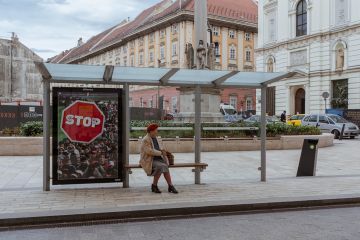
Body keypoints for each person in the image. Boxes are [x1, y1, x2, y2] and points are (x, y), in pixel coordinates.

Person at [139, 123, 178, 194]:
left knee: (164, 166)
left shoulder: (157, 138)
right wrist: (161, 153)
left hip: (158, 159)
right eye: (156, 130)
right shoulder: (146, 139)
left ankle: (170, 185)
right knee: (161, 166)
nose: (157, 131)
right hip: (149, 159)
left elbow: (161, 149)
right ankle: (155, 185)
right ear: (151, 131)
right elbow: (149, 151)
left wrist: (165, 157)